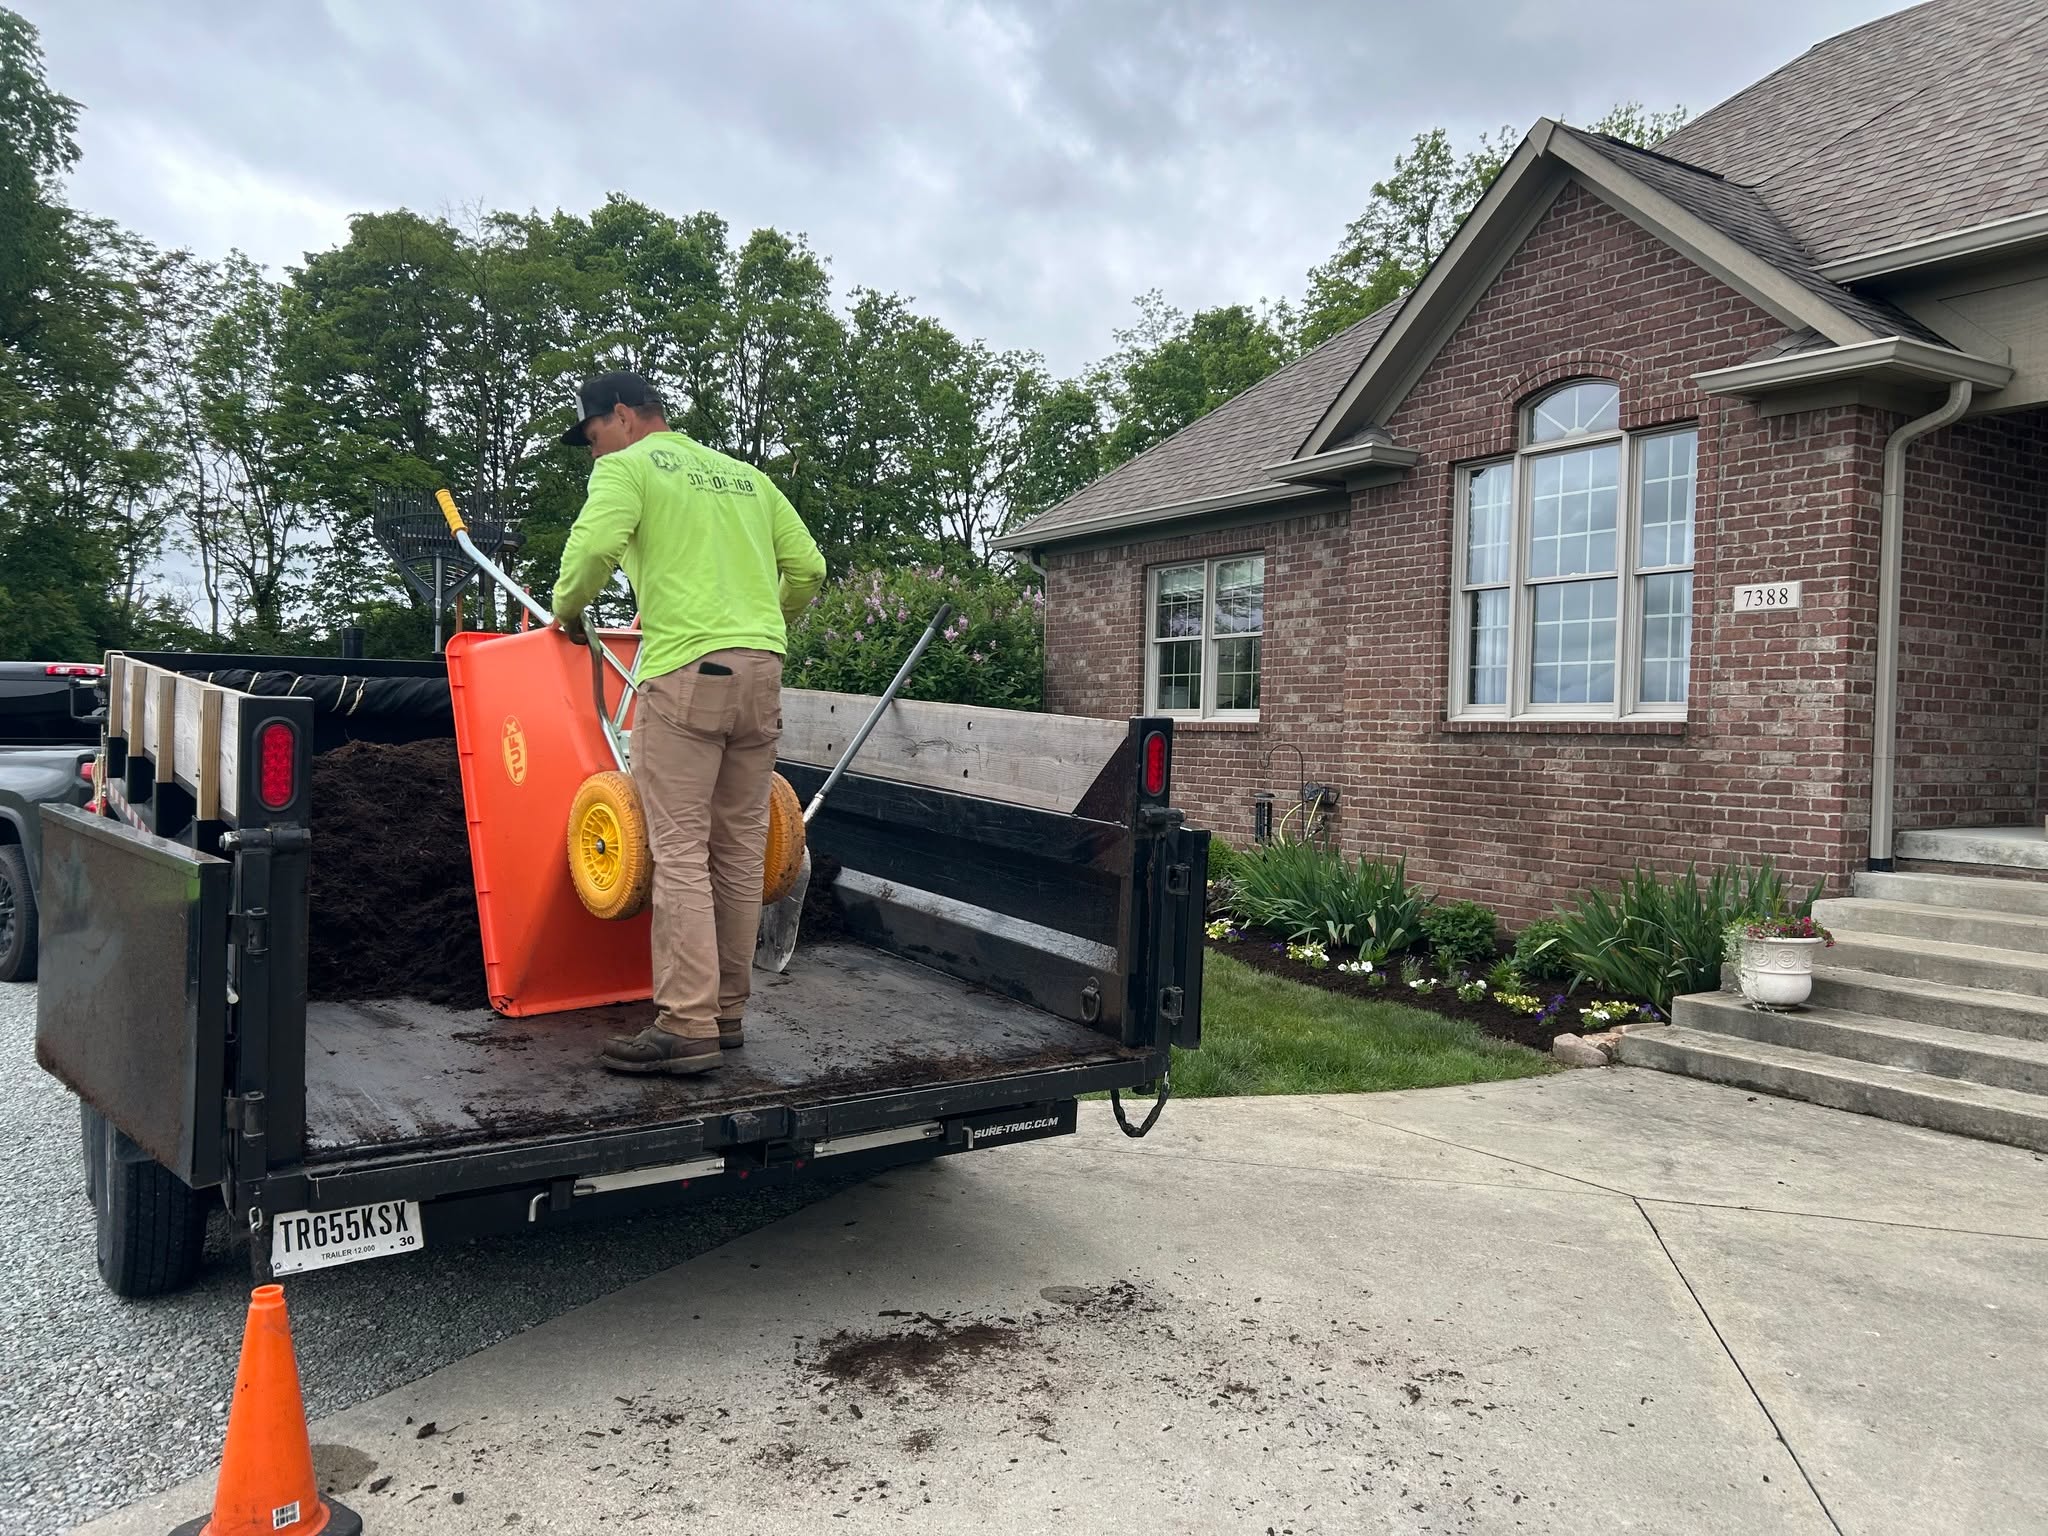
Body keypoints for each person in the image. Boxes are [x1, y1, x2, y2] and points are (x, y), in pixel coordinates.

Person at [551, 370, 826, 1075]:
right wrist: (762, 630)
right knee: (737, 853)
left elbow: (590, 557)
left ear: (621, 417)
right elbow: (809, 568)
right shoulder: (746, 478)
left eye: (591, 437)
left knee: (677, 852)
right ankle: (728, 1014)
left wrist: (568, 612)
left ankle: (687, 1026)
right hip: (762, 673)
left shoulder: (628, 470)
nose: (592, 454)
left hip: (685, 675)